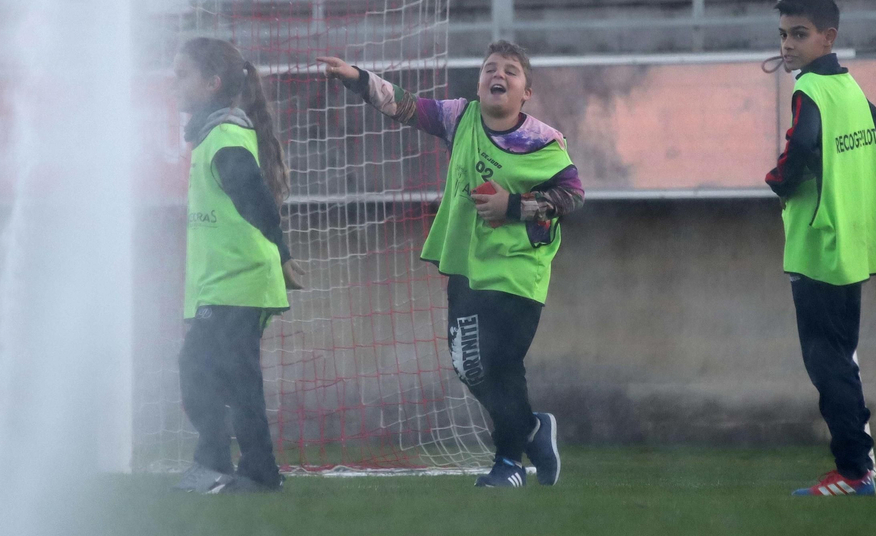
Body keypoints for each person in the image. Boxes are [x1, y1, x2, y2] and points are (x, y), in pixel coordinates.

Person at [317, 41, 584, 488]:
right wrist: (357, 78)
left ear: (526, 93)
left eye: (511, 70)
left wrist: (512, 206)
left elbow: (572, 196)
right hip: (466, 264)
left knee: (503, 362)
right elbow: (405, 106)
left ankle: (508, 463)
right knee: (469, 365)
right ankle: (532, 428)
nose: (498, 74)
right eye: (490, 68)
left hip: (519, 269)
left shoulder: (543, 141)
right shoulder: (460, 118)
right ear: (479, 84)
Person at [763, 0, 876, 498]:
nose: (787, 44)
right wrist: (847, 180)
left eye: (799, 34)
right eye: (783, 35)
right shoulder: (849, 86)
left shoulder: (812, 90)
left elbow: (799, 146)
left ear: (828, 37)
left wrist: (779, 181)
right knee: (840, 357)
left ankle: (853, 471)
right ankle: (858, 466)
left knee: (827, 363)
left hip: (819, 245)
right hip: (851, 242)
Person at [172, 37, 303, 495]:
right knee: (223, 375)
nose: (174, 84)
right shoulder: (213, 135)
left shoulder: (226, 136)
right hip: (226, 283)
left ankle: (224, 466)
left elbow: (255, 198)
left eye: (182, 75)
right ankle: (251, 470)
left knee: (202, 371)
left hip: (239, 281)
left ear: (212, 83)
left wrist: (283, 254)